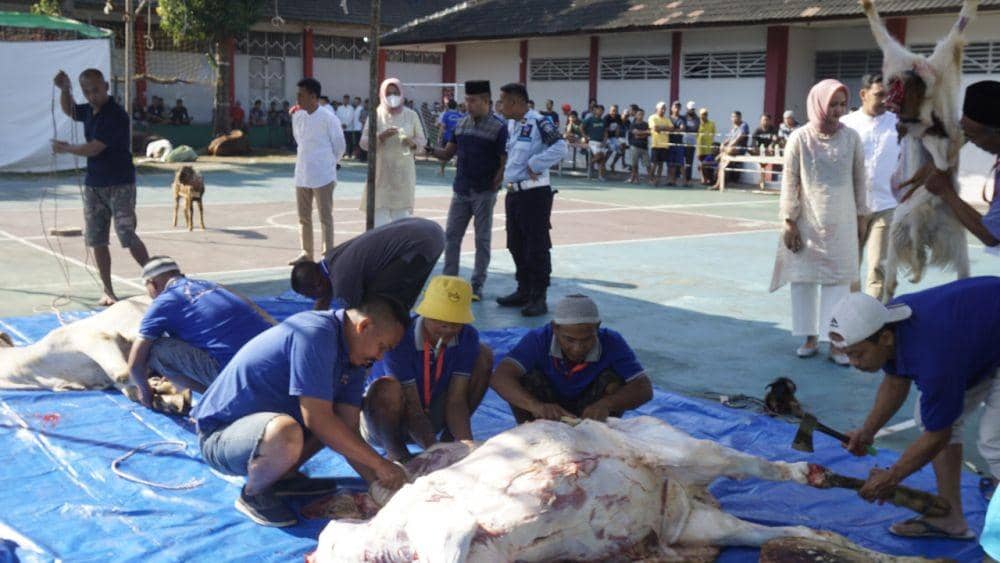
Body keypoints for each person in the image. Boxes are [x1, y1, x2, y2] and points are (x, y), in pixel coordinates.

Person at [191, 298, 408, 527]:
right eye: (382, 346)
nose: (381, 357)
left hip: (269, 432)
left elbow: (349, 429)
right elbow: (316, 419)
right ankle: (254, 494)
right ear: (363, 326)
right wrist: (380, 465)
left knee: (335, 429)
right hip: (221, 435)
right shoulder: (315, 335)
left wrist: (378, 487)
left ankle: (281, 477)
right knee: (294, 429)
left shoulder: (356, 358)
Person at [831, 278, 1000, 541]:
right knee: (929, 417)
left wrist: (893, 475)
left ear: (885, 338)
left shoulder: (933, 356)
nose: (853, 363)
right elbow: (896, 380)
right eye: (848, 354)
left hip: (973, 339)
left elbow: (938, 435)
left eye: (858, 354)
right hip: (980, 338)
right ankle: (949, 519)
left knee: (995, 442)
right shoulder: (887, 326)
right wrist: (867, 432)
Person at [769, 79, 868, 365]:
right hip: (806, 220)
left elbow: (860, 179)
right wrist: (788, 220)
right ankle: (809, 336)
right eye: (832, 104)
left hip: (843, 220)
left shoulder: (852, 138)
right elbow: (789, 181)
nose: (838, 110)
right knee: (803, 279)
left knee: (838, 282)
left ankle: (836, 342)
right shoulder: (799, 138)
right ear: (818, 103)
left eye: (841, 104)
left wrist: (862, 216)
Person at [362, 276, 493, 461]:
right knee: (387, 388)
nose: (448, 329)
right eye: (441, 321)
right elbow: (413, 408)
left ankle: (450, 443)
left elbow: (457, 400)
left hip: (432, 412)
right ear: (426, 314)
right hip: (388, 418)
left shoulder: (467, 336)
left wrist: (465, 446)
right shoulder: (400, 338)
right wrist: (436, 451)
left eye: (455, 323)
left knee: (483, 355)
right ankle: (398, 456)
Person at [52, 69, 150, 306]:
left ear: (106, 86)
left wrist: (67, 148)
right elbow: (70, 109)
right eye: (86, 91)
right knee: (97, 238)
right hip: (94, 184)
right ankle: (108, 291)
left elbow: (95, 147)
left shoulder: (115, 115)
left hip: (120, 183)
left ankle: (158, 279)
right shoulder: (88, 111)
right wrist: (65, 90)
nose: (91, 95)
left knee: (126, 234)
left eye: (95, 90)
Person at [126, 256, 273, 406]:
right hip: (274, 363)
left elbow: (135, 363)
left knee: (155, 350)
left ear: (152, 284)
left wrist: (144, 391)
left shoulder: (164, 302)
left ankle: (219, 396)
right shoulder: (213, 285)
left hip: (240, 376)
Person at [491, 294, 653, 422]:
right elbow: (500, 377)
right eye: (569, 339)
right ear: (555, 328)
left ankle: (601, 436)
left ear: (597, 327)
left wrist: (606, 404)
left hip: (591, 410)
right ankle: (529, 432)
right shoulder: (538, 339)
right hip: (548, 409)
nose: (577, 348)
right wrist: (536, 406)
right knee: (522, 378)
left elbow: (643, 387)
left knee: (617, 381)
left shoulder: (611, 341)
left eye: (587, 339)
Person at [427, 80, 507, 301]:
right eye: (466, 100)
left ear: (485, 101)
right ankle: (449, 281)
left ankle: (477, 285)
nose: (468, 104)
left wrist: (496, 183)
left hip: (484, 192)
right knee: (451, 236)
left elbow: (504, 160)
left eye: (472, 100)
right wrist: (427, 148)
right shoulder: (460, 125)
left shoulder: (499, 128)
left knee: (482, 240)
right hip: (461, 190)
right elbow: (446, 154)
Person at [495, 82, 567, 316]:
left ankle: (539, 296)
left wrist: (536, 163)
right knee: (515, 244)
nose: (500, 105)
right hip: (515, 192)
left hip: (534, 194)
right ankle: (523, 289)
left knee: (536, 246)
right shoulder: (513, 124)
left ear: (515, 102)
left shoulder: (539, 121)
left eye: (503, 101)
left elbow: (560, 147)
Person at [290, 216, 445, 316]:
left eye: (310, 296)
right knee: (393, 292)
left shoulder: (343, 280)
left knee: (375, 303)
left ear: (317, 285)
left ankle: (398, 328)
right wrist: (314, 319)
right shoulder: (331, 259)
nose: (313, 300)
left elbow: (355, 316)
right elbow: (324, 295)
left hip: (423, 243)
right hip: (427, 228)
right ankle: (401, 319)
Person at [840, 73, 901, 301]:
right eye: (879, 95)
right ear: (863, 95)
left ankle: (873, 324)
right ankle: (849, 317)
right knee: (849, 269)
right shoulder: (846, 125)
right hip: (852, 209)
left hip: (886, 206)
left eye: (888, 95)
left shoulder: (898, 124)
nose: (885, 100)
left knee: (878, 268)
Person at [923, 80, 1000, 253]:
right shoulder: (990, 137)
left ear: (995, 132)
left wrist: (946, 191)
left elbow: (990, 235)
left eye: (972, 135)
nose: (969, 140)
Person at [288, 78, 346, 266]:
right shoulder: (297, 116)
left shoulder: (329, 118)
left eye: (301, 95)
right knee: (303, 217)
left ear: (313, 96)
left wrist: (330, 163)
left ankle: (327, 254)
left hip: (323, 174)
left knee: (325, 217)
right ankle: (306, 253)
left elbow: (340, 146)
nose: (297, 98)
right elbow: (299, 141)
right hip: (302, 173)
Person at [359, 78, 427, 227]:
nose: (392, 96)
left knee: (402, 226)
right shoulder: (375, 114)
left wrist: (411, 142)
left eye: (396, 92)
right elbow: (363, 143)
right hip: (380, 176)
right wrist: (380, 137)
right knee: (379, 226)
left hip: (403, 176)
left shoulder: (411, 115)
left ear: (402, 93)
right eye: (388, 93)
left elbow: (422, 143)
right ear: (382, 94)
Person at [711, 110, 751, 190]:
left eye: (735, 117)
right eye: (732, 117)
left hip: (740, 148)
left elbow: (740, 137)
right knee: (721, 165)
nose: (733, 118)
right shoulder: (733, 127)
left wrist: (729, 146)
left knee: (728, 151)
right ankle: (718, 184)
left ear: (740, 117)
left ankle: (721, 154)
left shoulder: (744, 125)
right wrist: (723, 144)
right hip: (731, 149)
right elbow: (729, 138)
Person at [436, 99, 463, 176]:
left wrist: (439, 136)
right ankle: (458, 171)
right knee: (459, 155)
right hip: (458, 137)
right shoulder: (460, 115)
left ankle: (442, 171)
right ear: (456, 106)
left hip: (447, 137)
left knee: (444, 154)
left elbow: (442, 126)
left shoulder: (446, 114)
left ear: (447, 106)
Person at [648, 101, 672, 187]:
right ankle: (651, 179)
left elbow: (671, 128)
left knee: (661, 164)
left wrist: (661, 127)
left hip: (664, 145)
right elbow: (655, 128)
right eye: (662, 108)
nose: (663, 110)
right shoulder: (652, 117)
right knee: (654, 164)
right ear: (657, 109)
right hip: (656, 144)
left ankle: (657, 180)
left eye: (664, 109)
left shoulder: (667, 119)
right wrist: (665, 128)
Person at [752, 113, 779, 187]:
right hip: (761, 151)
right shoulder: (757, 130)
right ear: (760, 121)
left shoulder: (773, 129)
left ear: (770, 121)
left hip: (771, 151)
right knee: (760, 160)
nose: (765, 121)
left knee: (764, 161)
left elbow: (776, 140)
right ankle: (762, 179)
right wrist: (755, 147)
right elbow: (753, 142)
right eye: (763, 120)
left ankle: (762, 179)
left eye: (767, 120)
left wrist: (772, 144)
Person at [582, 104, 607, 181]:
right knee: (599, 156)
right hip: (593, 142)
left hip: (601, 142)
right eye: (598, 109)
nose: (600, 111)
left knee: (602, 160)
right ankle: (590, 163)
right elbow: (581, 127)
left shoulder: (603, 121)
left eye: (602, 110)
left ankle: (600, 176)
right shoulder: (590, 119)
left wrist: (605, 141)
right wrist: (585, 136)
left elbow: (606, 132)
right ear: (595, 111)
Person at [664, 101, 687, 186]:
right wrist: (672, 130)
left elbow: (682, 129)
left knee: (681, 163)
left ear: (680, 109)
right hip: (669, 144)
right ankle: (671, 181)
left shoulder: (682, 119)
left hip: (679, 144)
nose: (677, 109)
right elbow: (666, 129)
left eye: (678, 107)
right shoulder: (668, 119)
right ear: (671, 108)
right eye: (675, 107)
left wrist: (672, 130)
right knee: (670, 164)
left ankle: (685, 182)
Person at [626, 108, 650, 184]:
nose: (641, 116)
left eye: (642, 114)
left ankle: (651, 179)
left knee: (648, 165)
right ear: (636, 115)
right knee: (634, 165)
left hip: (644, 147)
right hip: (634, 146)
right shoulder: (633, 125)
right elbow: (635, 133)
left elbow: (649, 133)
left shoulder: (646, 124)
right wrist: (644, 133)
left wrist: (641, 134)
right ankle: (634, 179)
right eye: (639, 114)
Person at [696, 108, 717, 186]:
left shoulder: (712, 124)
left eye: (705, 114)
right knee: (701, 165)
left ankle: (710, 180)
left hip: (709, 149)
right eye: (702, 114)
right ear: (699, 115)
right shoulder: (697, 124)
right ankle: (703, 179)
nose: (704, 116)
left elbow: (713, 134)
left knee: (709, 165)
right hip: (700, 149)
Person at [682, 101, 701, 183]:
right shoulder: (683, 118)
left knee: (689, 163)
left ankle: (688, 179)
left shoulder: (697, 119)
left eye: (693, 109)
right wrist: (688, 128)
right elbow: (684, 128)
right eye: (690, 109)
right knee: (680, 162)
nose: (692, 111)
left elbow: (695, 129)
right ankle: (681, 178)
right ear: (687, 109)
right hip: (682, 142)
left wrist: (687, 128)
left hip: (691, 144)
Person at [604, 104, 625, 173]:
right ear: (610, 111)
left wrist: (617, 139)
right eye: (613, 111)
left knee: (621, 150)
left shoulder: (618, 117)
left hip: (614, 137)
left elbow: (618, 127)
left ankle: (612, 164)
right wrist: (606, 140)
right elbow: (605, 130)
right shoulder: (607, 117)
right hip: (606, 136)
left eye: (615, 111)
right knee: (611, 148)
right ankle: (603, 163)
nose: (614, 112)